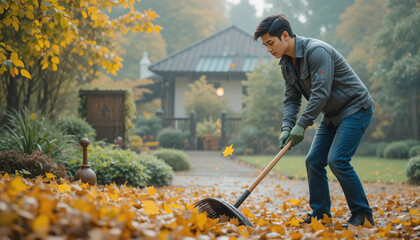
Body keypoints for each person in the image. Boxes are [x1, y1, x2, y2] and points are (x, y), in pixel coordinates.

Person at [253, 14, 375, 228]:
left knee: (337, 160)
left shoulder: (316, 51)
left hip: (355, 108)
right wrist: (286, 127)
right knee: (313, 161)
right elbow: (291, 99)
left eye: (270, 43)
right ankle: (321, 217)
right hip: (332, 114)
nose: (269, 50)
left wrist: (301, 125)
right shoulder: (286, 65)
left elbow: (321, 92)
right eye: (265, 46)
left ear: (284, 35)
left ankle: (362, 215)